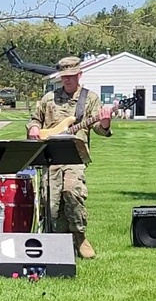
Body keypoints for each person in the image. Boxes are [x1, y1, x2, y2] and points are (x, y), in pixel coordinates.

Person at [27, 56, 112, 258]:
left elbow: (99, 129)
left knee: (72, 191)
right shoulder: (49, 98)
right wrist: (34, 128)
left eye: (71, 76)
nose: (67, 80)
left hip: (75, 156)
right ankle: (57, 241)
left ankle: (79, 236)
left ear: (79, 74)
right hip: (50, 156)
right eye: (64, 77)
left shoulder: (89, 99)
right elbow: (33, 120)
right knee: (51, 199)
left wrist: (106, 122)